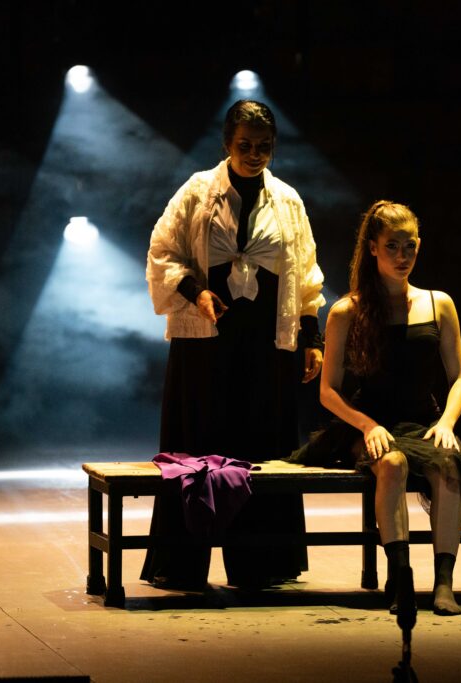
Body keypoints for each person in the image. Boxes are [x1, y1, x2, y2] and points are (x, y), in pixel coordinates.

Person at [141, 99, 326, 590]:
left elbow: (306, 275)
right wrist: (195, 292)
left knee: (263, 449)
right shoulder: (198, 191)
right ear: (226, 144)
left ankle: (263, 563)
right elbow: (162, 252)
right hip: (206, 343)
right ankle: (180, 562)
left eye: (264, 146)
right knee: (197, 449)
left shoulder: (287, 201)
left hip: (266, 347)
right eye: (245, 145)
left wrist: (311, 339)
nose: (254, 154)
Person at [289, 200, 461, 615]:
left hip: (422, 422)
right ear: (373, 248)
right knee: (392, 464)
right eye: (392, 246)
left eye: (409, 246)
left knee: (449, 467)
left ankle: (444, 584)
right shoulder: (348, 310)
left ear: (419, 246)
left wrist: (447, 422)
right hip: (368, 425)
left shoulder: (438, 303)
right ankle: (400, 578)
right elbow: (328, 392)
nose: (402, 256)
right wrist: (367, 426)